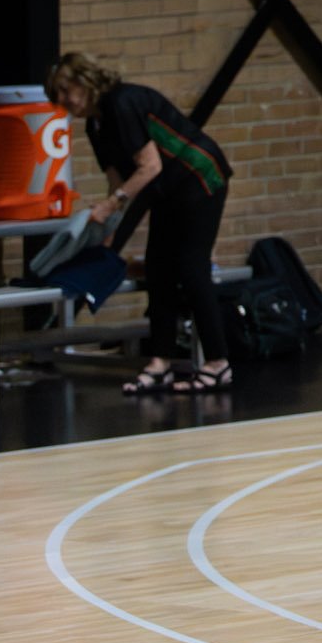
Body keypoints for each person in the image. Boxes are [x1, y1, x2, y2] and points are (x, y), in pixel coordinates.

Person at [44, 51, 234, 396]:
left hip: (198, 178)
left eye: (63, 91)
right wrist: (108, 230)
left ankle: (218, 364)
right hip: (166, 192)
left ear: (83, 82)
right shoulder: (95, 125)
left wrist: (112, 203)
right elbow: (118, 182)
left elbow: (150, 167)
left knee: (191, 268)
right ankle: (160, 362)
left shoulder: (122, 102)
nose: (62, 102)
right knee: (158, 269)